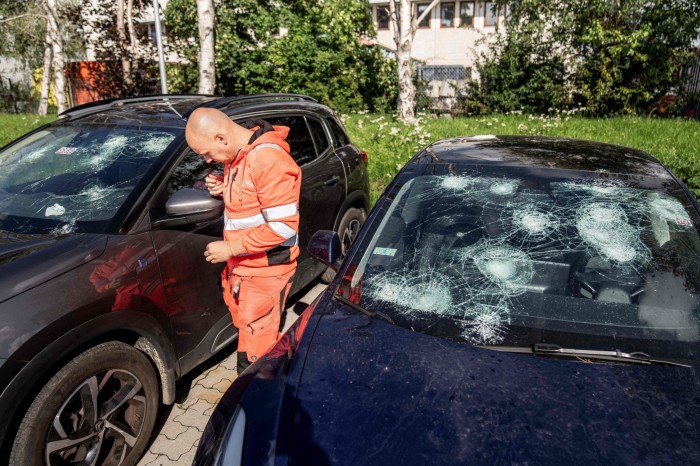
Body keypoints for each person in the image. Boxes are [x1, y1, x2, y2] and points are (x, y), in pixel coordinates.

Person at [185, 108, 301, 373]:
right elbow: (252, 200)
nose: (206, 160)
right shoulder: (239, 157)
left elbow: (283, 227)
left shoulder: (268, 159)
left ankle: (257, 402)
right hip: (246, 269)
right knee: (250, 335)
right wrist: (223, 184)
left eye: (206, 152)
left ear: (221, 138)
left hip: (265, 272)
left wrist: (231, 248)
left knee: (256, 358)